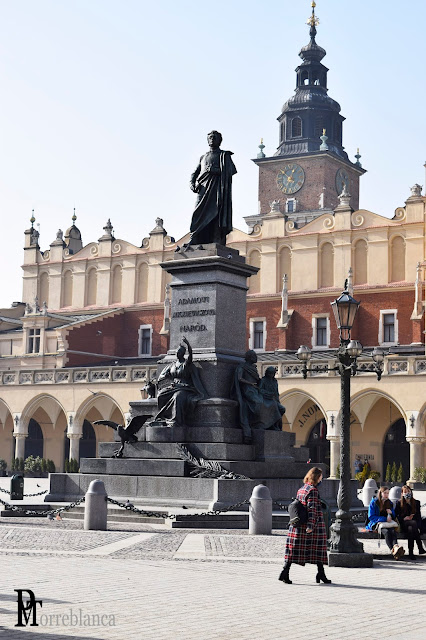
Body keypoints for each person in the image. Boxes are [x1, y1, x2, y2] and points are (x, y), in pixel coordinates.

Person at [279, 467, 330, 584]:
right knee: (317, 550)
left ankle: (320, 573)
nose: (322, 478)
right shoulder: (313, 490)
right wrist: (311, 525)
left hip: (299, 524)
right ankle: (285, 573)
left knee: (295, 550)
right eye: (321, 476)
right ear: (317, 477)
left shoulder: (302, 488)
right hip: (311, 526)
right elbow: (312, 509)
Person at [187, 131, 237, 247]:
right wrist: (192, 184)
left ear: (219, 140)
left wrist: (215, 171)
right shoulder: (203, 157)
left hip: (218, 190)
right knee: (197, 212)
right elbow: (195, 173)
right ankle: (195, 237)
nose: (212, 140)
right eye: (210, 138)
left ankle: (216, 239)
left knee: (216, 213)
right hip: (203, 189)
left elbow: (230, 172)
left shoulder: (224, 156)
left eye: (214, 138)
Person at [152, 337, 207, 427]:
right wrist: (165, 378)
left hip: (185, 387)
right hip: (173, 386)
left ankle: (175, 421)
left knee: (177, 397)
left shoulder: (186, 364)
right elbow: (165, 376)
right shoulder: (173, 365)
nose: (177, 353)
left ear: (182, 354)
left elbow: (190, 356)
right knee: (161, 394)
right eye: (176, 352)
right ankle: (163, 418)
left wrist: (188, 345)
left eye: (179, 352)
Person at [232, 351, 284, 444]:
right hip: (248, 390)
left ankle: (265, 424)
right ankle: (256, 423)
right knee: (259, 403)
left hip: (255, 389)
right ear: (250, 357)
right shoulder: (242, 367)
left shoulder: (253, 368)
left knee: (271, 403)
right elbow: (239, 378)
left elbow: (258, 381)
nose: (256, 358)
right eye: (254, 356)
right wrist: (250, 383)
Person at [366, 486, 404, 559]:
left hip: (388, 523)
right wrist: (384, 519)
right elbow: (371, 516)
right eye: (385, 493)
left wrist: (391, 513)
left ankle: (395, 547)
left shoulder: (389, 502)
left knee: (392, 531)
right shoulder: (374, 502)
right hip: (376, 523)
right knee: (386, 532)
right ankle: (393, 550)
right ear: (381, 493)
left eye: (388, 493)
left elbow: (393, 515)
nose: (386, 495)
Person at [395, 485, 426, 559]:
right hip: (403, 525)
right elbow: (396, 516)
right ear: (402, 493)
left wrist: (418, 526)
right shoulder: (399, 503)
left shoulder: (416, 502)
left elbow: (418, 517)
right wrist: (404, 518)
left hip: (413, 526)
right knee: (412, 525)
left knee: (411, 529)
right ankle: (420, 547)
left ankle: (411, 553)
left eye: (408, 491)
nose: (407, 493)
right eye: (405, 492)